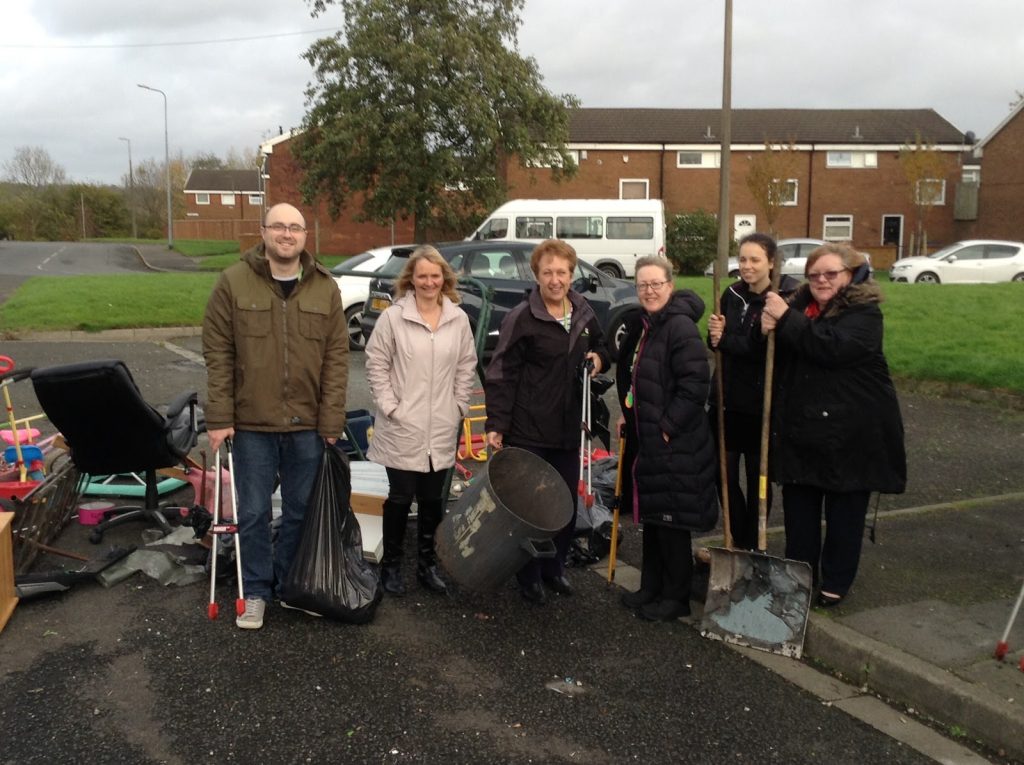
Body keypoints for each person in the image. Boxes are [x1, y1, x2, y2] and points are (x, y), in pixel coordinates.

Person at [202, 203, 349, 630]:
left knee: (300, 512)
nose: (287, 234)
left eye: (295, 228)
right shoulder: (232, 282)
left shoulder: (325, 287)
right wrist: (218, 417)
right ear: (263, 232)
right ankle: (256, 592)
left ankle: (289, 586)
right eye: (279, 226)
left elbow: (337, 360)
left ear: (306, 236)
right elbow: (218, 352)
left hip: (307, 426)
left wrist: (331, 420)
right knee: (252, 513)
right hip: (252, 425)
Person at [761, 243, 905, 608]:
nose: (821, 280)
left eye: (830, 274)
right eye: (814, 275)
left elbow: (832, 347)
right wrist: (766, 328)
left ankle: (837, 579)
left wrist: (785, 319)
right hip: (802, 431)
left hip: (850, 434)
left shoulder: (864, 314)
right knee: (800, 513)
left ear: (851, 274)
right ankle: (800, 575)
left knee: (844, 513)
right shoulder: (798, 306)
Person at [485, 239, 609, 605]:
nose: (556, 280)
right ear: (537, 275)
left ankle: (555, 569)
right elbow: (500, 373)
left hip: (568, 428)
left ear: (572, 275)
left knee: (565, 507)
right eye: (548, 272)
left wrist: (598, 360)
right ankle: (529, 577)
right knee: (532, 508)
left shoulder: (583, 311)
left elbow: (604, 348)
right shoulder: (522, 317)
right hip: (529, 429)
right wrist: (497, 424)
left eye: (562, 272)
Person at [364, 246, 477, 596]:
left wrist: (458, 405)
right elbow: (376, 364)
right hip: (402, 426)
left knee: (432, 500)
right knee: (400, 496)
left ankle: (427, 566)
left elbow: (466, 365)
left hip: (441, 425)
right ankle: (392, 567)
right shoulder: (393, 317)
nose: (429, 282)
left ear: (444, 278)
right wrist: (391, 407)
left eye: (435, 275)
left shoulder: (457, 319)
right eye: (422, 275)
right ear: (411, 278)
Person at [616, 255, 718, 621]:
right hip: (652, 438)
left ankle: (675, 598)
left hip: (677, 443)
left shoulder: (679, 327)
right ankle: (651, 587)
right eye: (642, 285)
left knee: (672, 521)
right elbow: (643, 378)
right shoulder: (650, 325)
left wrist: (667, 426)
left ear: (670, 286)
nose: (649, 290)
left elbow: (695, 385)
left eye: (656, 284)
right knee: (655, 517)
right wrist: (630, 414)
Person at [706, 233, 800, 550]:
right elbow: (718, 343)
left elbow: (763, 352)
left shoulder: (783, 297)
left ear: (771, 262)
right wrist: (714, 334)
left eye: (755, 260)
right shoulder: (731, 294)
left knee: (758, 476)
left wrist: (732, 340)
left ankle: (753, 541)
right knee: (724, 474)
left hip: (761, 404)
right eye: (743, 259)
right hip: (727, 400)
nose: (747, 266)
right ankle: (738, 537)